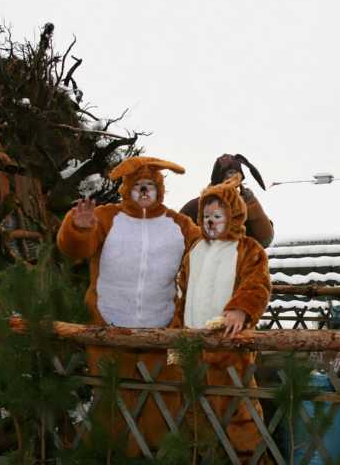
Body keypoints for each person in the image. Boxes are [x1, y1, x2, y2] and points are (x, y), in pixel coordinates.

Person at [56, 156, 200, 456]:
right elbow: (75, 249)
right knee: (112, 407)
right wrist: (78, 228)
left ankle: (161, 457)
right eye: (139, 186)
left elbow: (207, 252)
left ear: (159, 189)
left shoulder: (179, 223)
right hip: (109, 331)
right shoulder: (107, 217)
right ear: (127, 189)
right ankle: (114, 457)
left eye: (150, 186)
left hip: (162, 335)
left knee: (164, 406)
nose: (145, 192)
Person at [172, 174, 271, 462]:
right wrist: (176, 339)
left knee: (241, 419)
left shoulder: (248, 248)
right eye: (205, 216)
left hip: (231, 350)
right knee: (193, 418)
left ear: (234, 215)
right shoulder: (195, 251)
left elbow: (258, 284)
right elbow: (183, 293)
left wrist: (241, 308)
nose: (210, 221)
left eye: (218, 215)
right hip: (194, 349)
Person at [180, 153, 274, 247]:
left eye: (236, 173)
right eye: (229, 173)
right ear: (218, 178)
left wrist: (252, 204)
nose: (232, 178)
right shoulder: (196, 206)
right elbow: (176, 240)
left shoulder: (245, 207)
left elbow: (265, 240)